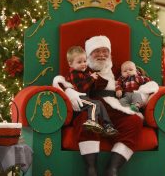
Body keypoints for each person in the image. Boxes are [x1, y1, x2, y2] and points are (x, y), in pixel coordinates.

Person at [53, 35, 159, 176]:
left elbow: (142, 83)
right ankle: (91, 168)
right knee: (86, 120)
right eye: (97, 51)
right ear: (89, 54)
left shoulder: (118, 71)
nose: (101, 55)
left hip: (114, 107)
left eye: (105, 51)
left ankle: (112, 168)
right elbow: (65, 82)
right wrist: (69, 91)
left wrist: (140, 94)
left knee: (133, 121)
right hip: (91, 106)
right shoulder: (81, 70)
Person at [66, 45, 118, 136]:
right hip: (77, 100)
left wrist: (93, 79)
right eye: (79, 62)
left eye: (85, 61)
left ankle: (108, 126)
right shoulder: (74, 73)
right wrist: (90, 78)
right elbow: (80, 88)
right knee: (95, 104)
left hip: (85, 99)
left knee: (99, 103)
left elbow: (91, 87)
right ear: (70, 64)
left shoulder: (84, 73)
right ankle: (92, 121)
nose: (83, 64)